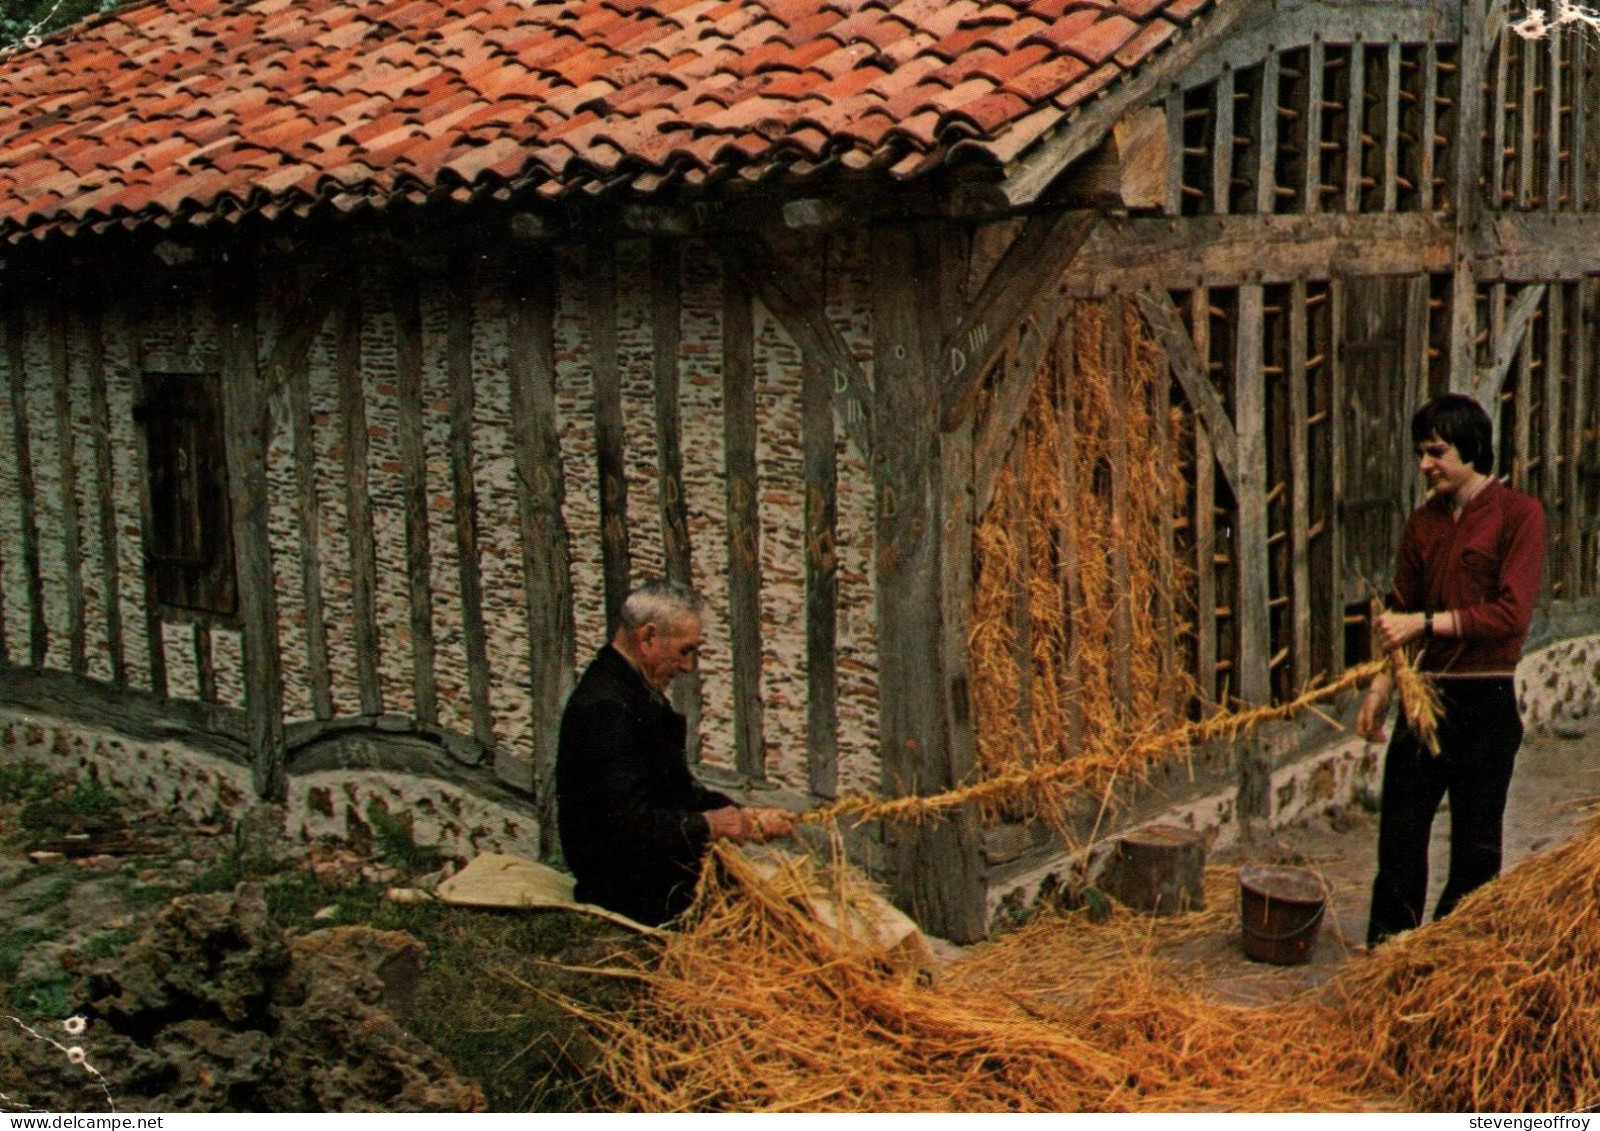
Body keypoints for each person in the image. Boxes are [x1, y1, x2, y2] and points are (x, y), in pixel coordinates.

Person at [1358, 394, 1547, 947]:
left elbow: (1510, 614)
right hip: (1425, 703)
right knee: (1398, 839)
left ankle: (1452, 957)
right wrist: (1378, 690)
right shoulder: (1423, 524)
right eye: (1420, 452)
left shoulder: (1520, 516)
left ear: (1473, 449)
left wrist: (1425, 624)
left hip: (1485, 700)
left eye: (1436, 451)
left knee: (1475, 848)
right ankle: (1387, 959)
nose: (1424, 464)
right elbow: (1398, 614)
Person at [556, 580, 796, 926]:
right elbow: (624, 824)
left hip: (649, 876)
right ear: (648, 637)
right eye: (685, 651)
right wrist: (708, 826)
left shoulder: (632, 691)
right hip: (624, 889)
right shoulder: (606, 707)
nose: (687, 667)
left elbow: (672, 790)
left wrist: (742, 816)